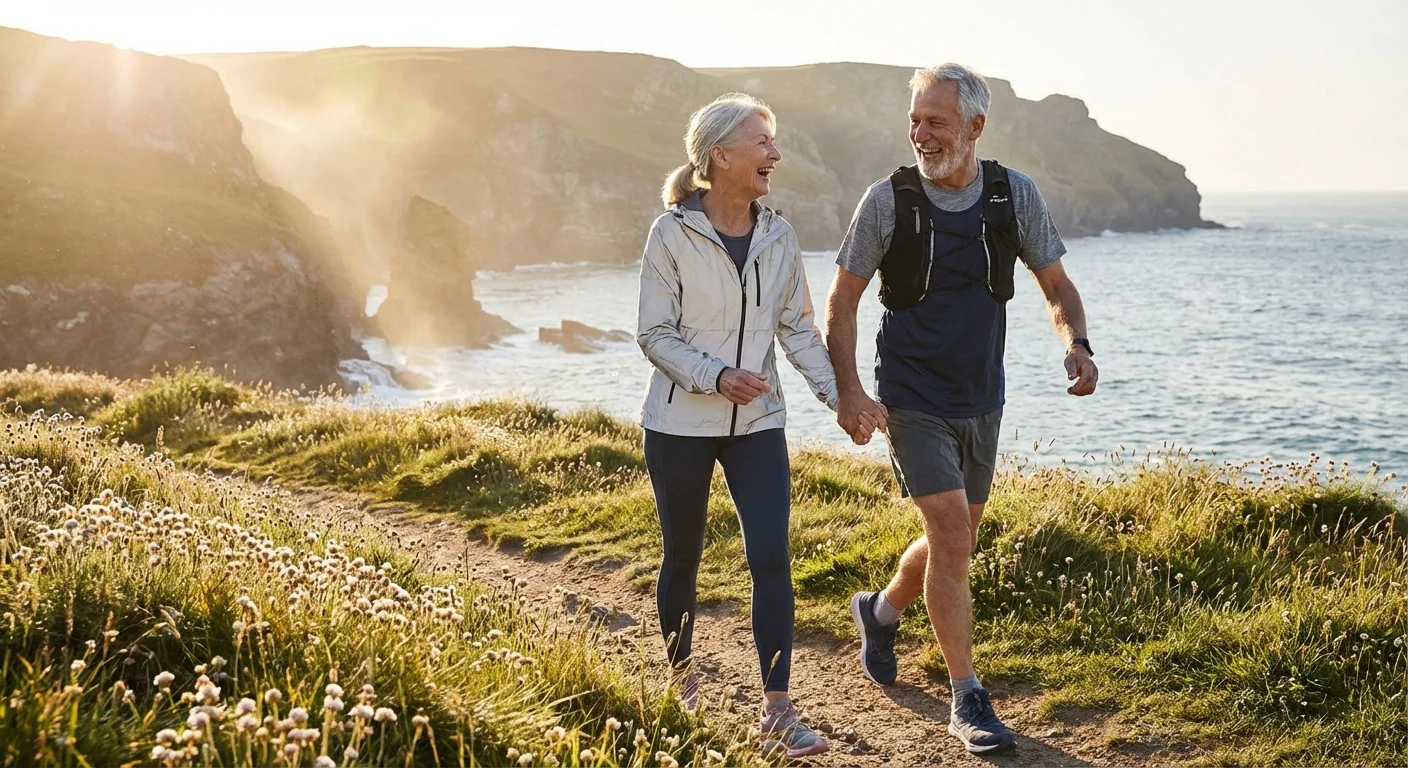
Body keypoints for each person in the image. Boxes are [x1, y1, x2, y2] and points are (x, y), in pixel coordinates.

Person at [823, 63, 1099, 755]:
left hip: (982, 395)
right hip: (910, 395)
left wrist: (1077, 345)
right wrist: (851, 392)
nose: (921, 134)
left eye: (936, 122)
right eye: (915, 120)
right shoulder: (887, 202)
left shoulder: (1012, 196)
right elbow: (842, 301)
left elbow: (1056, 283)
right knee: (950, 534)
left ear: (975, 127)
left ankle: (880, 611)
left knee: (960, 538)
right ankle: (967, 696)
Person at [636, 92, 857, 759]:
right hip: (679, 424)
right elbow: (654, 333)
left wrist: (840, 397)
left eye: (773, 141)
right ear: (720, 155)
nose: (775, 154)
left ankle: (780, 711)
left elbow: (796, 328)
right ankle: (681, 681)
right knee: (683, 556)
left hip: (757, 422)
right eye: (762, 142)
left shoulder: (779, 236)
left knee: (771, 557)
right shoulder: (671, 233)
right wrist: (717, 374)